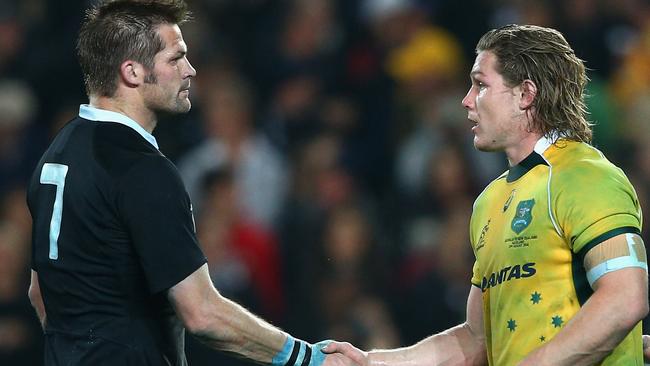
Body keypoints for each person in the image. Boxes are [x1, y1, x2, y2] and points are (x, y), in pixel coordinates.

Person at [25, 1, 354, 366]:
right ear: (132, 71)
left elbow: (41, 293)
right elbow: (202, 313)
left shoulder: (56, 152)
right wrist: (307, 357)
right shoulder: (143, 170)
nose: (190, 70)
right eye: (176, 58)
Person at [324, 24, 650, 365]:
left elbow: (624, 299)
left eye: (480, 84)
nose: (466, 100)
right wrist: (371, 361)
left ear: (525, 94)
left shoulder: (586, 177)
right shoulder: (489, 201)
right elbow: (476, 337)